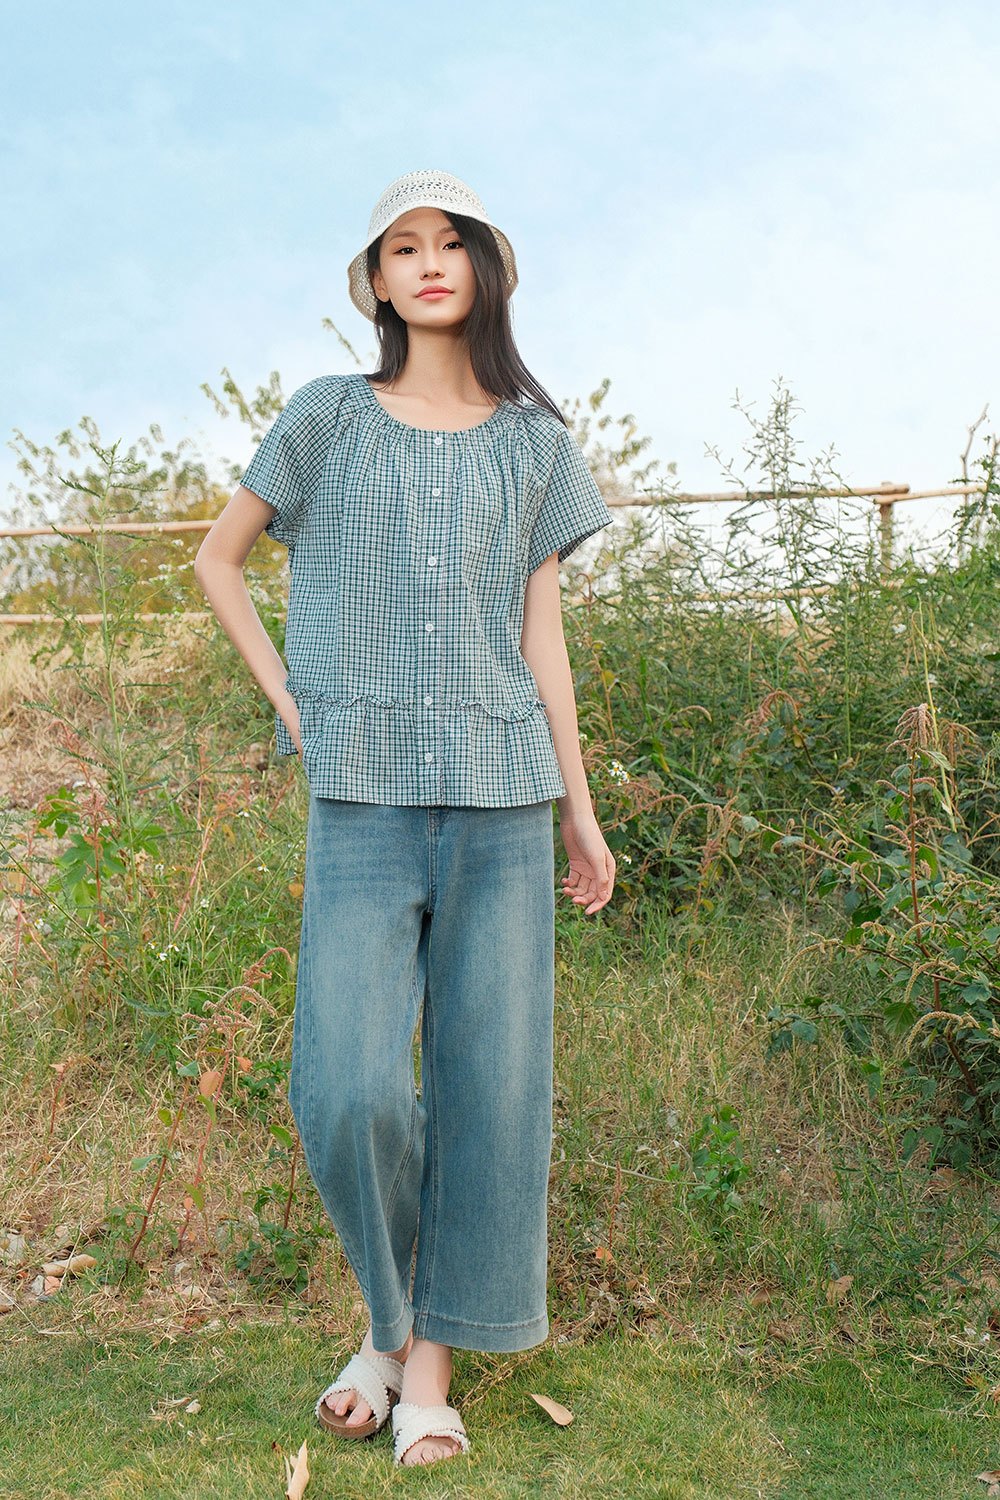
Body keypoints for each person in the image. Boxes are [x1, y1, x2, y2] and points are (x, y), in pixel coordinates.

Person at [194, 168, 617, 1468]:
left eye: (450, 243)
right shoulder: (327, 417)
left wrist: (581, 812)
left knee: (492, 1089)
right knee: (351, 1089)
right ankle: (388, 1324)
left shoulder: (536, 446)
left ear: (485, 268)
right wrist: (291, 699)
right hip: (362, 793)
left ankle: (421, 1366)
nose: (429, 263)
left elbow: (543, 642)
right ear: (376, 282)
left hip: (505, 795)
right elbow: (219, 559)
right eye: (402, 248)